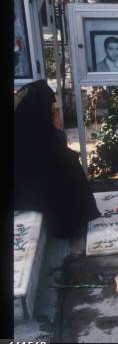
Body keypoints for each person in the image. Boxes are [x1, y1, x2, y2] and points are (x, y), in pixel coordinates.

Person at [14, 80, 101, 238]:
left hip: (36, 185)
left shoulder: (38, 129)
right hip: (28, 191)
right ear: (39, 112)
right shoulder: (27, 134)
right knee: (68, 165)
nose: (56, 115)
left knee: (68, 162)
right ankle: (67, 226)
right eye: (52, 111)